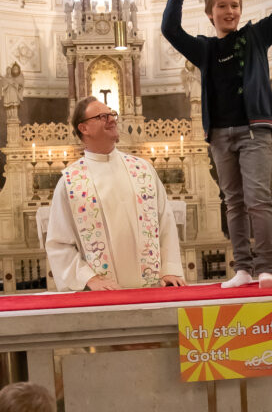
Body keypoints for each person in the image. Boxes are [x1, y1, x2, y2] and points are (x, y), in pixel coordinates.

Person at [161, 0, 272, 289]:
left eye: (235, 5)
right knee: (234, 203)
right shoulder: (204, 49)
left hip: (254, 130)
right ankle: (242, 268)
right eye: (222, 6)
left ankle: (266, 267)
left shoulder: (256, 37)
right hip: (221, 135)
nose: (230, 11)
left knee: (257, 199)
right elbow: (169, 28)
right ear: (210, 13)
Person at [46, 96, 185, 291]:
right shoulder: (71, 182)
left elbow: (165, 221)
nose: (112, 119)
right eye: (103, 116)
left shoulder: (142, 169)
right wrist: (89, 278)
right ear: (83, 128)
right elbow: (59, 243)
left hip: (152, 290)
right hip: (103, 296)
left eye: (112, 114)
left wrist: (169, 269)